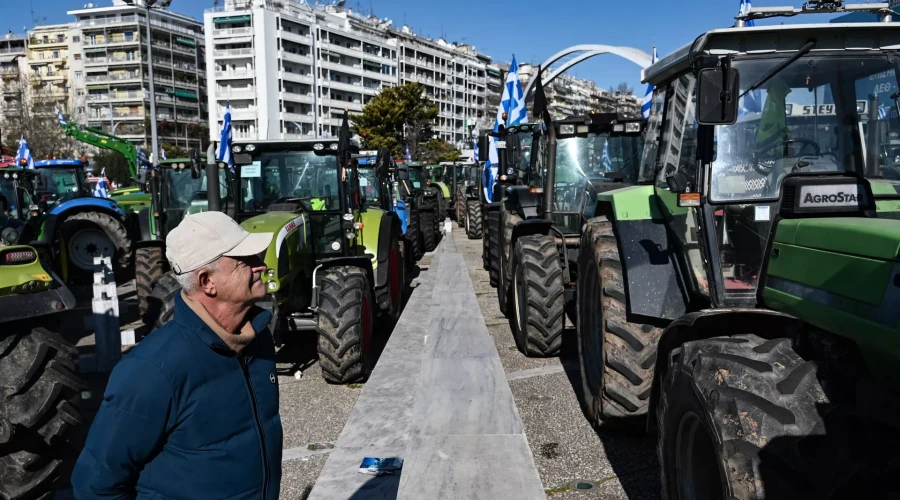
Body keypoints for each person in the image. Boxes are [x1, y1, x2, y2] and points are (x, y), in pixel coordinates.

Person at [71, 211, 283, 500]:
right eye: (245, 261)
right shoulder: (152, 370)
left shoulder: (258, 340)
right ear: (207, 281)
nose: (261, 266)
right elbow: (96, 484)